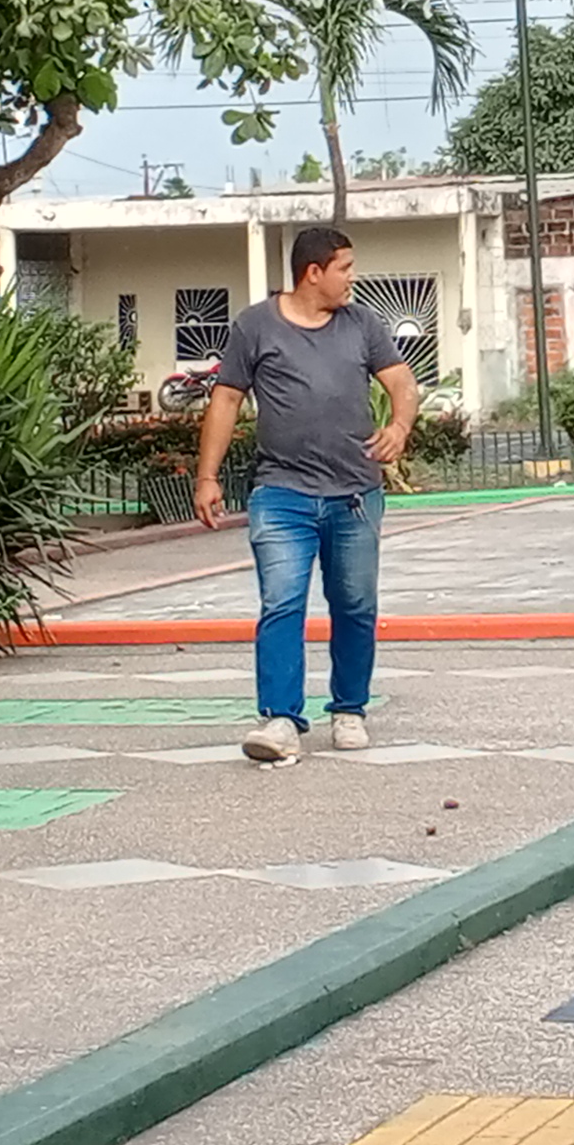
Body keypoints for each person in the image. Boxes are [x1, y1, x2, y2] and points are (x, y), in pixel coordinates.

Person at [194, 225, 418, 766]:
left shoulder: (363, 324)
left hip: (355, 494)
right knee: (282, 602)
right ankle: (280, 719)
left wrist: (399, 427)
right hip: (281, 492)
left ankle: (349, 708)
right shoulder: (255, 326)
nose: (352, 278)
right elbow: (226, 401)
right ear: (313, 273)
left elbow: (402, 383)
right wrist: (207, 476)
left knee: (355, 604)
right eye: (344, 268)